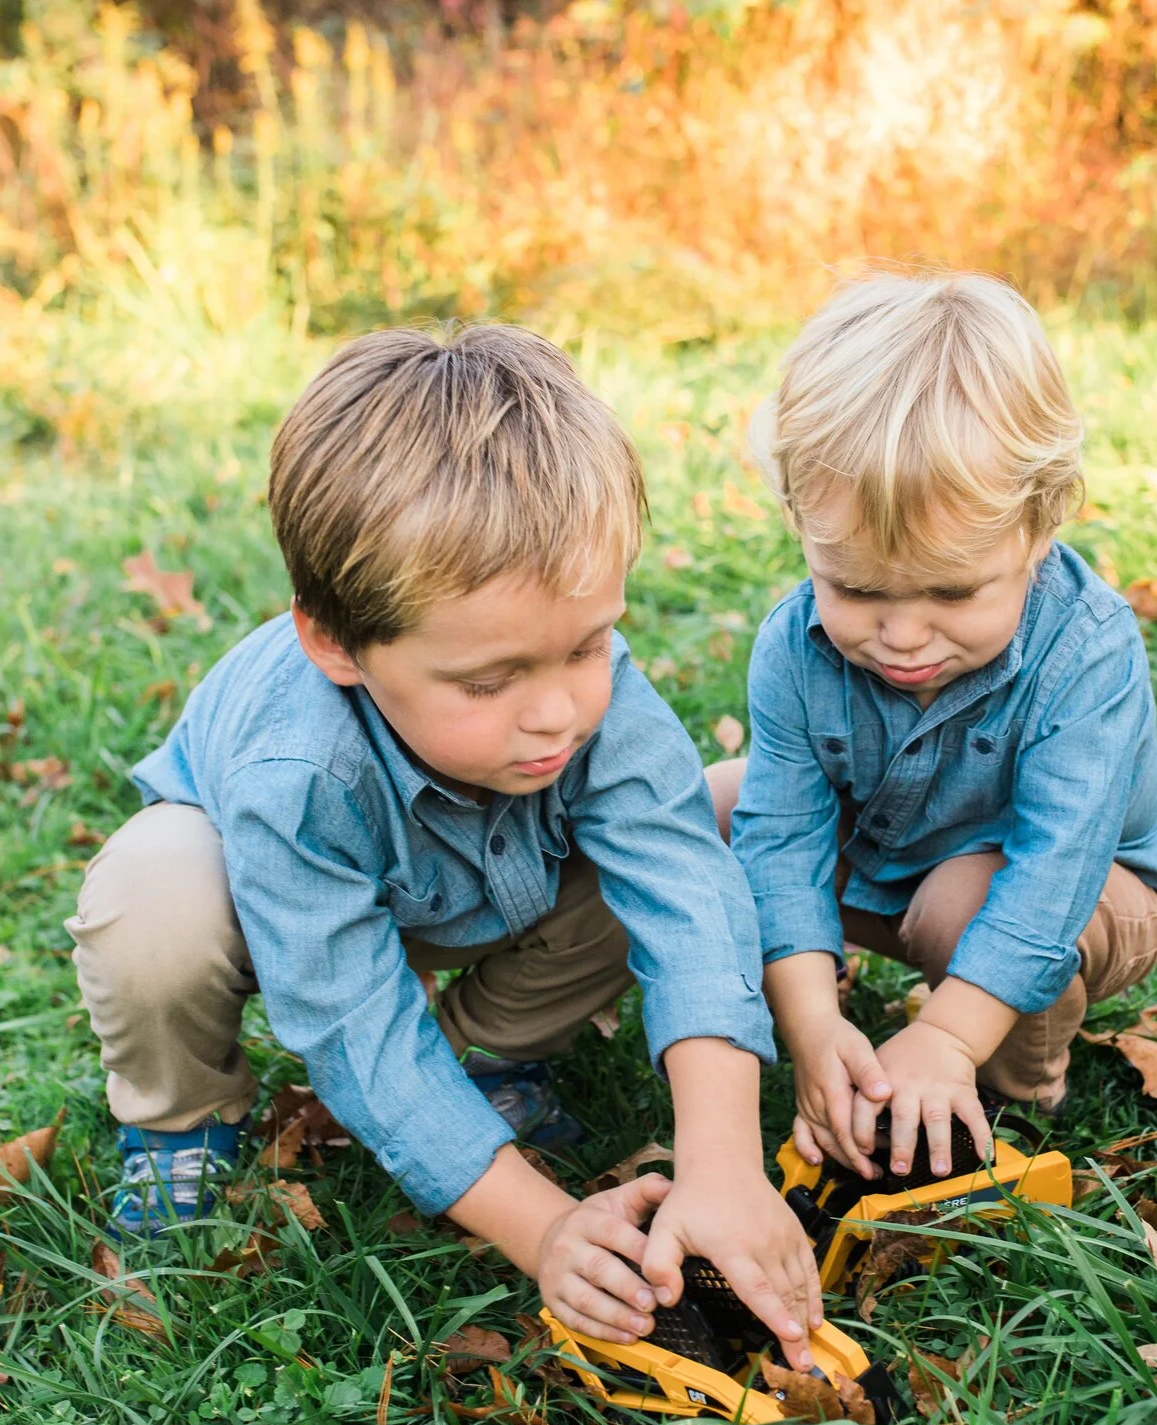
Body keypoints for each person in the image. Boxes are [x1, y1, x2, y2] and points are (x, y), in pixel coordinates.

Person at [69, 323, 823, 1365]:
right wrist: (542, 1225)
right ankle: (180, 1120)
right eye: (488, 680)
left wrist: (725, 1161)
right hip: (270, 901)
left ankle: (493, 1053)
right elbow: (353, 1021)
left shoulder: (587, 704)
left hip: (495, 878)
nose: (558, 709)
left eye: (586, 645)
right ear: (337, 644)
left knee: (688, 827)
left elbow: (684, 892)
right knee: (152, 897)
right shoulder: (298, 771)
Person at [713, 272, 1157, 1185]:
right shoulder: (795, 646)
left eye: (953, 591)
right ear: (801, 527)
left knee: (967, 900)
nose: (902, 633)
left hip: (1085, 893)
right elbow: (781, 836)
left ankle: (1017, 1082)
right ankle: (801, 1013)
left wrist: (946, 1037)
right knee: (717, 806)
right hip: (891, 853)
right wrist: (810, 1021)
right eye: (855, 588)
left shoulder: (1086, 652)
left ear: (1039, 528)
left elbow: (1057, 870)